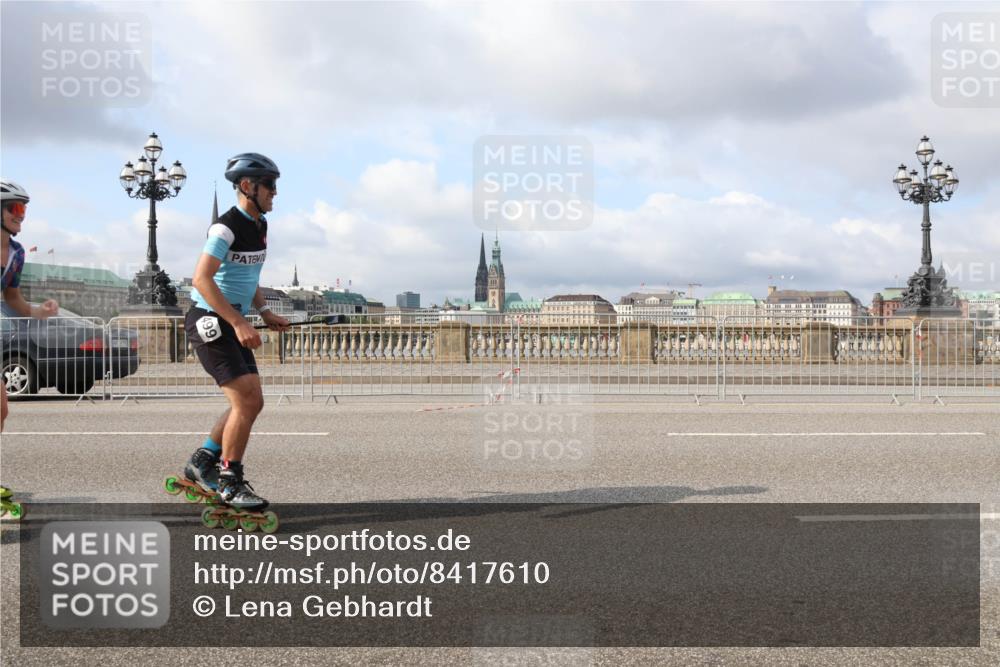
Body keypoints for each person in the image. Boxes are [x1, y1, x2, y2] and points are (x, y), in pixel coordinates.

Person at [182, 154, 288, 511]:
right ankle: (229, 482)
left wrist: (264, 311)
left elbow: (249, 276)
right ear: (247, 186)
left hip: (231, 319)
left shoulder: (260, 225)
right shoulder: (224, 229)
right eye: (269, 185)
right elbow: (201, 279)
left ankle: (202, 461)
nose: (275, 192)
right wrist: (239, 322)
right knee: (246, 400)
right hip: (209, 319)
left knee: (251, 401)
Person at [1, 180, 58, 509]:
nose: (21, 215)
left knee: (1, 409)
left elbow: (12, 298)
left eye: (24, 209)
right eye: (15, 208)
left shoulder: (16, 254)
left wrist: (39, 311)